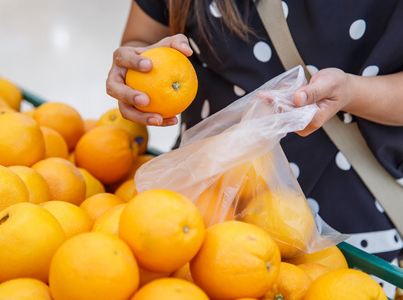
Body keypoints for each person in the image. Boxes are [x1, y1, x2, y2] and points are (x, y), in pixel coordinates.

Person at [106, 0, 403, 266]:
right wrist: (140, 68)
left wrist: (352, 92)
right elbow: (141, 37)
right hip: (200, 204)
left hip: (350, 224)